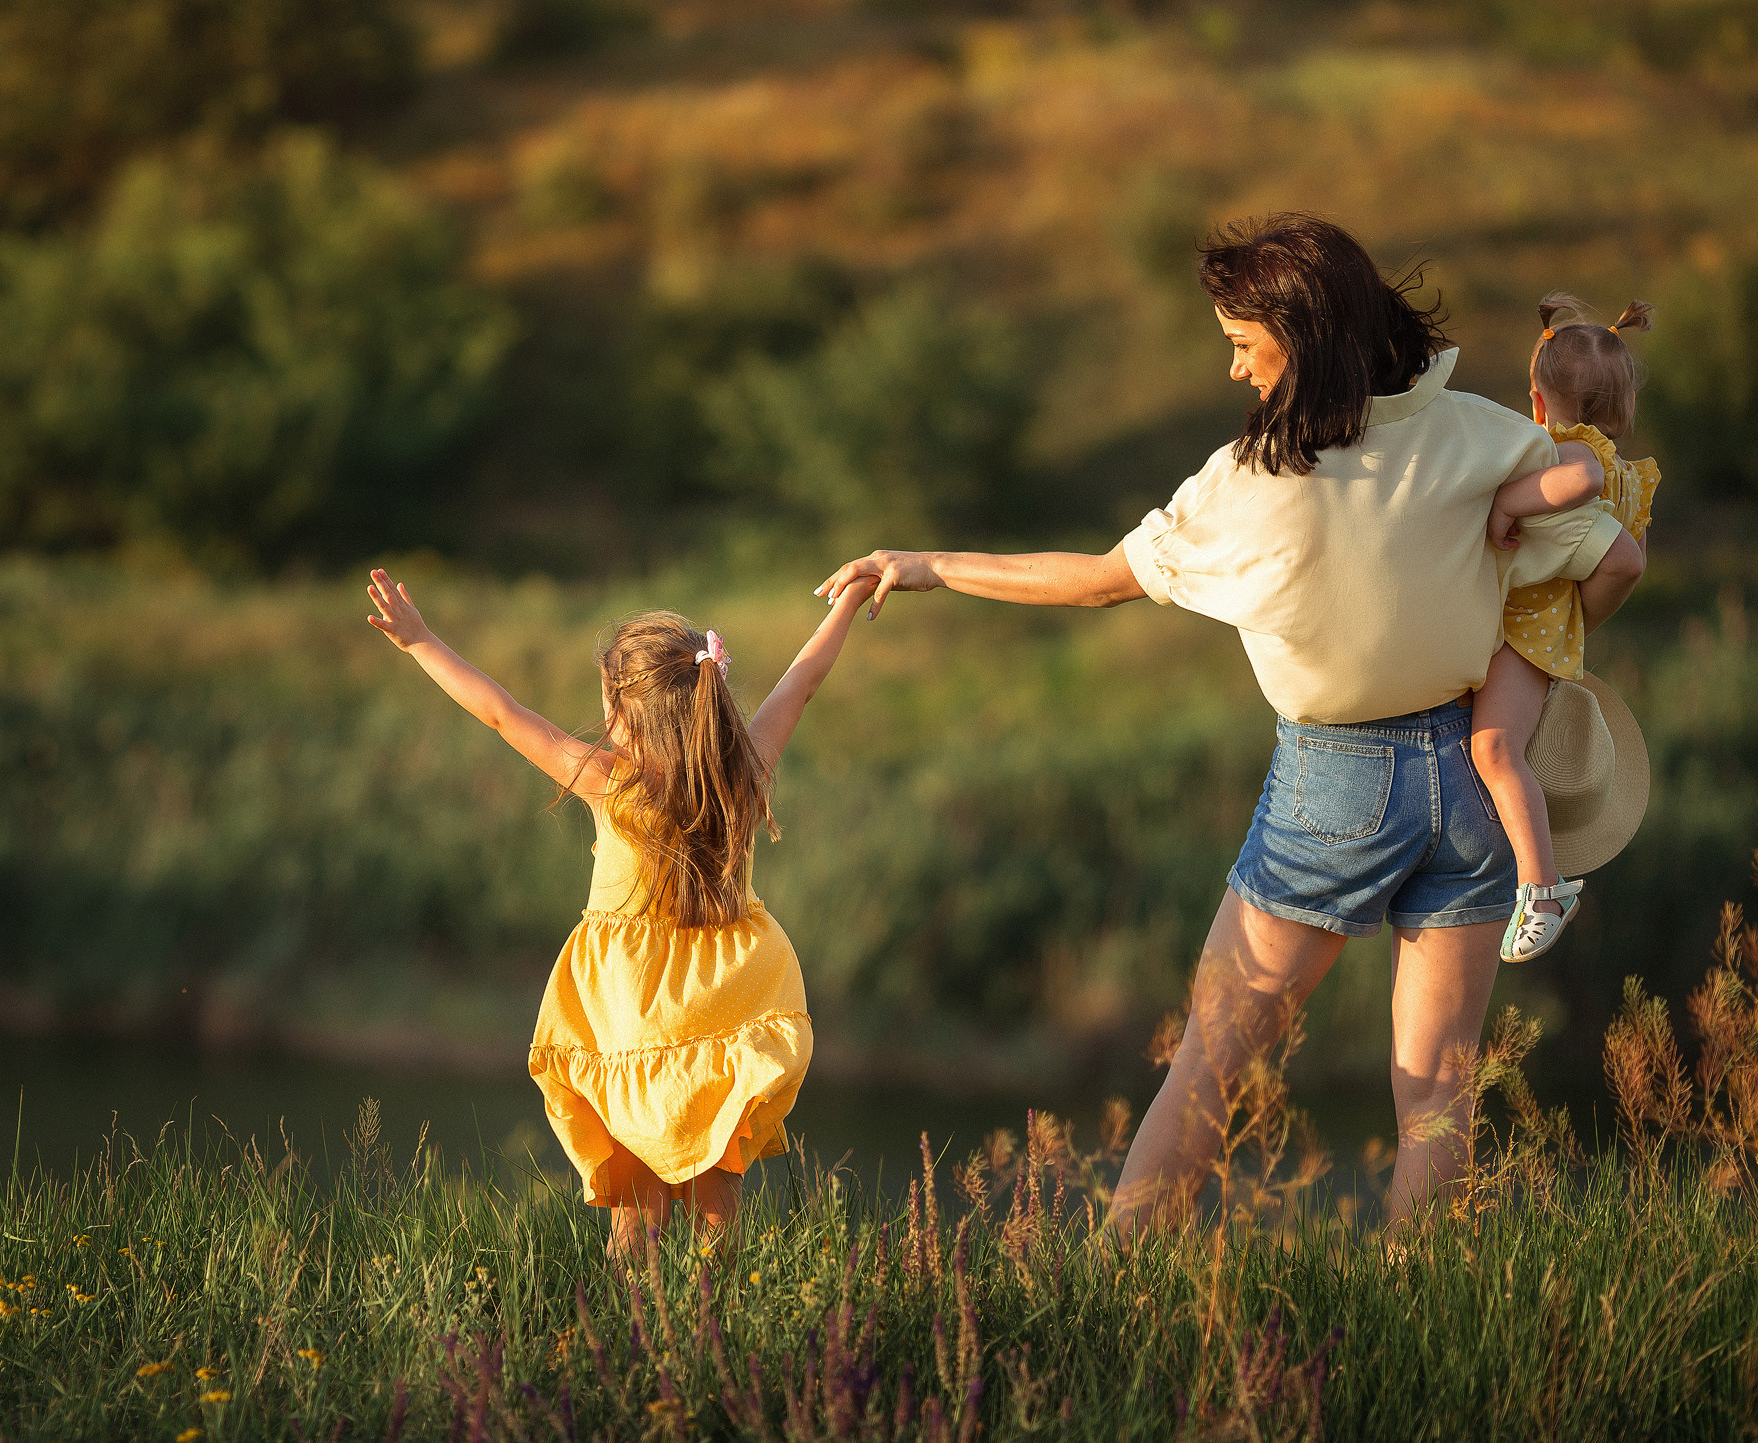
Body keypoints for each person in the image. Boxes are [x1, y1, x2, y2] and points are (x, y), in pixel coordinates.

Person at [814, 214, 1644, 1233]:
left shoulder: (1248, 484)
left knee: (1210, 1061)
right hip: (1476, 775)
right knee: (1438, 1090)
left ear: (1300, 340)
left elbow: (1098, 585)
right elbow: (1608, 557)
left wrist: (924, 564)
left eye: (1244, 346)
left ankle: (1114, 1294)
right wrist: (1533, 673)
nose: (1234, 369)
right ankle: (1425, 1326)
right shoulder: (1485, 435)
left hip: (1333, 787)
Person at [363, 568, 876, 1257]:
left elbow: (502, 712)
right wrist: (850, 598)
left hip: (632, 1013)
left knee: (635, 1207)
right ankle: (717, 1335)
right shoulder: (743, 771)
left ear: (621, 711)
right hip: (726, 1002)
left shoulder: (614, 785)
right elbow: (803, 679)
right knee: (717, 1199)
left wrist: (420, 641)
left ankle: (633, 1336)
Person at [1472, 295, 1658, 962]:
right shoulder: (1607, 457)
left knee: (1494, 749)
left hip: (1526, 635)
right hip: (1534, 629)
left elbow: (1577, 486)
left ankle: (1542, 891)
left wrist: (1505, 503)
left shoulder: (1569, 454)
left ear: (1540, 401)